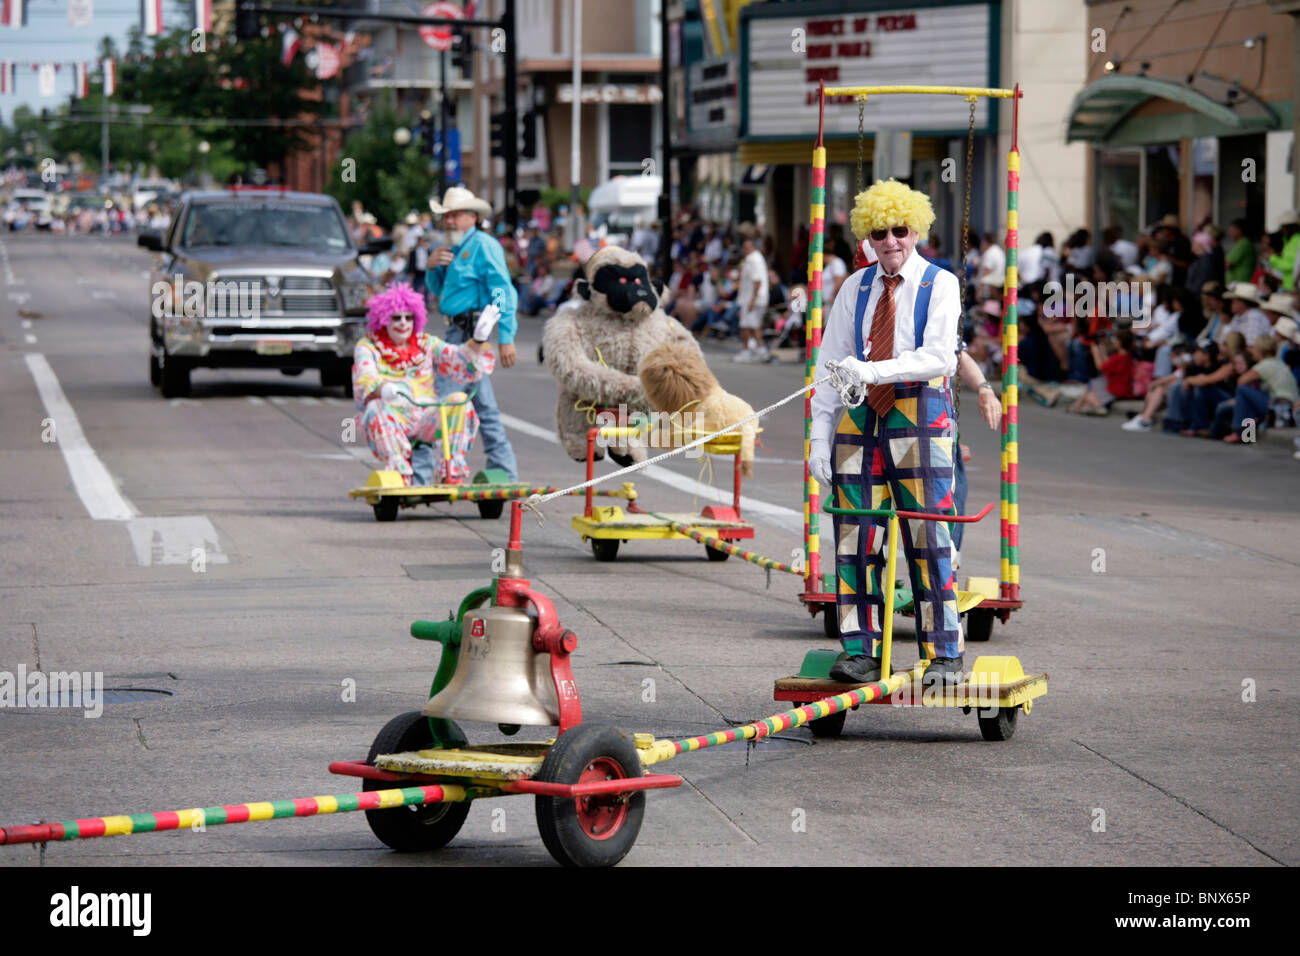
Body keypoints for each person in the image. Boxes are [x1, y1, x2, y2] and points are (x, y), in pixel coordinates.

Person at [809, 178, 963, 686]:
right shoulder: (855, 287)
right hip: (859, 420)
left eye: (899, 230)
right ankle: (860, 650)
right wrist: (818, 438)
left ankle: (943, 652)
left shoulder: (940, 284)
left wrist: (873, 371)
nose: (890, 241)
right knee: (855, 539)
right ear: (866, 237)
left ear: (916, 229)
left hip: (920, 417)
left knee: (928, 534)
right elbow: (829, 366)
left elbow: (941, 356)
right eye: (879, 232)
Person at [353, 283, 495, 485]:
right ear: (383, 319)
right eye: (396, 317)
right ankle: (399, 472)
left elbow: (455, 357)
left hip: (427, 416)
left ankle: (450, 470)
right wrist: (382, 388)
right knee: (375, 408)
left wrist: (477, 340)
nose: (403, 323)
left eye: (408, 317)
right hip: (392, 415)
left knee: (460, 401)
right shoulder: (368, 346)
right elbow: (365, 377)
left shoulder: (425, 342)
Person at [425, 186, 521, 481]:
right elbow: (439, 290)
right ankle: (503, 468)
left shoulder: (483, 245)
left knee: (439, 401)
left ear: (472, 217)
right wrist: (431, 267)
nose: (449, 221)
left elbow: (502, 290)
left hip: (469, 332)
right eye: (446, 216)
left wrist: (506, 336)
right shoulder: (452, 247)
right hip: (460, 330)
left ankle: (424, 469)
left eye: (455, 215)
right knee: (483, 404)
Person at [1223, 334, 1300, 442]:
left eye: (1254, 347)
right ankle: (1247, 434)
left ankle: (1238, 431)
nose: (1252, 350)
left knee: (1243, 390)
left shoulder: (1264, 365)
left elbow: (1241, 381)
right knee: (1249, 395)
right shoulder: (1278, 362)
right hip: (1288, 407)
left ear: (1261, 350)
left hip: (1279, 406)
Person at [734, 235, 771, 361]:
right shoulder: (758, 258)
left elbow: (758, 281)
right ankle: (761, 351)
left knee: (745, 325)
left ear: (753, 247)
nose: (744, 250)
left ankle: (747, 351)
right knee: (754, 326)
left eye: (746, 247)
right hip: (756, 298)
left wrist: (752, 301)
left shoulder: (752, 259)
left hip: (752, 298)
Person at [1224, 219, 1255, 285]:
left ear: (1239, 230)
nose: (1229, 233)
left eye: (1232, 230)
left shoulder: (1244, 244)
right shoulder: (1240, 243)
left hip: (1240, 284)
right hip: (1237, 284)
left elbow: (1228, 264)